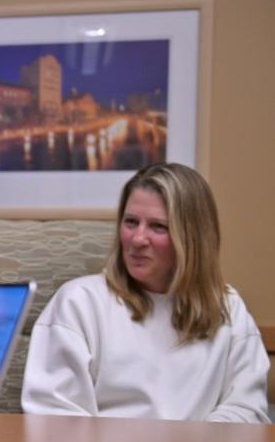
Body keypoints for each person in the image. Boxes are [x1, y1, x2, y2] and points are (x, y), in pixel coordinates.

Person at [21, 163, 270, 423]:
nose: (138, 239)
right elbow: (55, 414)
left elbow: (247, 410)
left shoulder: (228, 309)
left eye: (158, 226)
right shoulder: (79, 302)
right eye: (131, 222)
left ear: (192, 237)